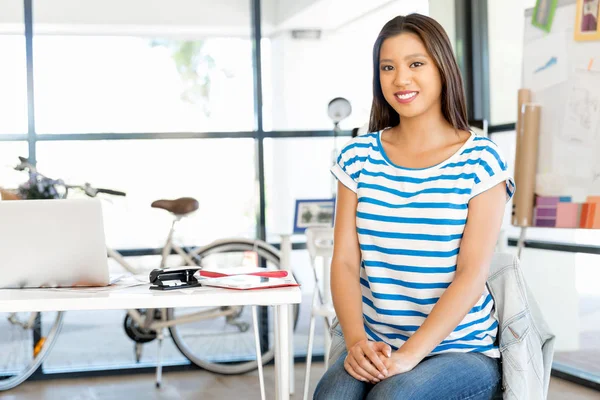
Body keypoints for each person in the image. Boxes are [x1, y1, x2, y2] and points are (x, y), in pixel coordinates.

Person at [314, 13, 514, 400]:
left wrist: (409, 356)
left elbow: (472, 275)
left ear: (442, 68)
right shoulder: (357, 158)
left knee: (395, 395)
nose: (400, 79)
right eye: (387, 67)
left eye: (416, 64)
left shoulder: (480, 160)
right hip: (375, 343)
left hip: (462, 350)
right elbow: (343, 263)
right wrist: (356, 342)